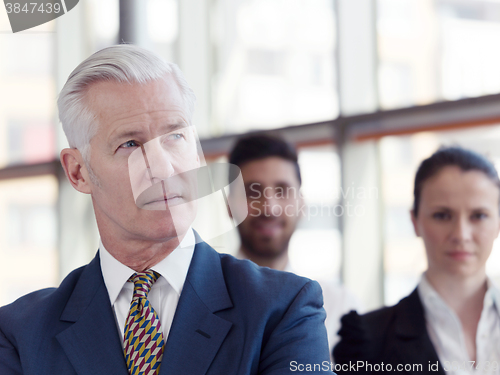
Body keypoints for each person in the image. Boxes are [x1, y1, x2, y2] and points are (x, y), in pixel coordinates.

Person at [0, 45, 334, 374]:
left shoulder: (283, 309)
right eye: (130, 144)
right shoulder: (19, 333)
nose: (163, 168)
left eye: (175, 136)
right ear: (78, 172)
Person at [333, 146, 500, 375]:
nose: (461, 234)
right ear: (414, 221)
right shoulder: (367, 341)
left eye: (479, 216)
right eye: (442, 215)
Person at [228, 134, 361, 353]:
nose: (270, 207)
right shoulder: (197, 303)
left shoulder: (340, 308)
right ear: (229, 204)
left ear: (301, 203)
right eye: (253, 191)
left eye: (282, 191)